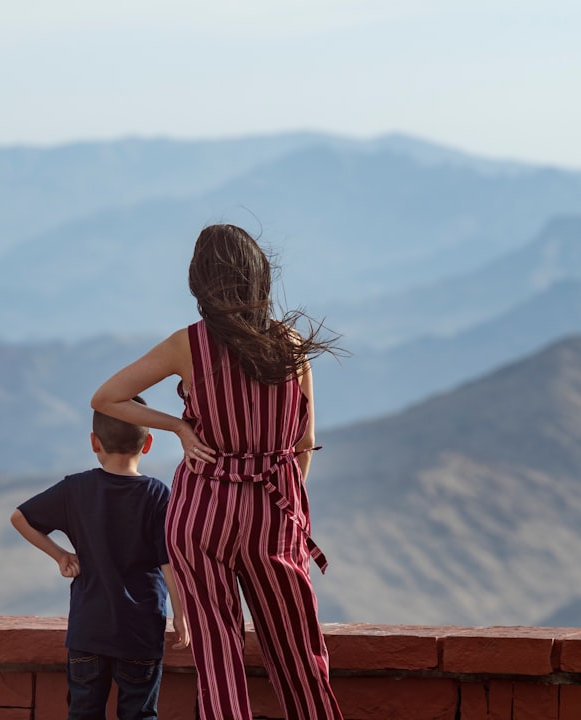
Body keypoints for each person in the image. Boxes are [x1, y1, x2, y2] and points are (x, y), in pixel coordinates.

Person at [91, 224, 345, 719]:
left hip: (201, 511)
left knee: (218, 656)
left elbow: (106, 398)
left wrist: (178, 429)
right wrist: (284, 507)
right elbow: (303, 443)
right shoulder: (291, 345)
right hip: (272, 507)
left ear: (199, 282)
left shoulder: (187, 345)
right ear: (260, 278)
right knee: (299, 655)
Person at [10, 396, 189, 720]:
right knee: (139, 714)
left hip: (88, 630)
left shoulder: (75, 488)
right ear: (147, 443)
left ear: (94, 442)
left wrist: (61, 555)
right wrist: (181, 615)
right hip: (139, 632)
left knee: (83, 713)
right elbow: (169, 564)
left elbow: (20, 517)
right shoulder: (157, 494)